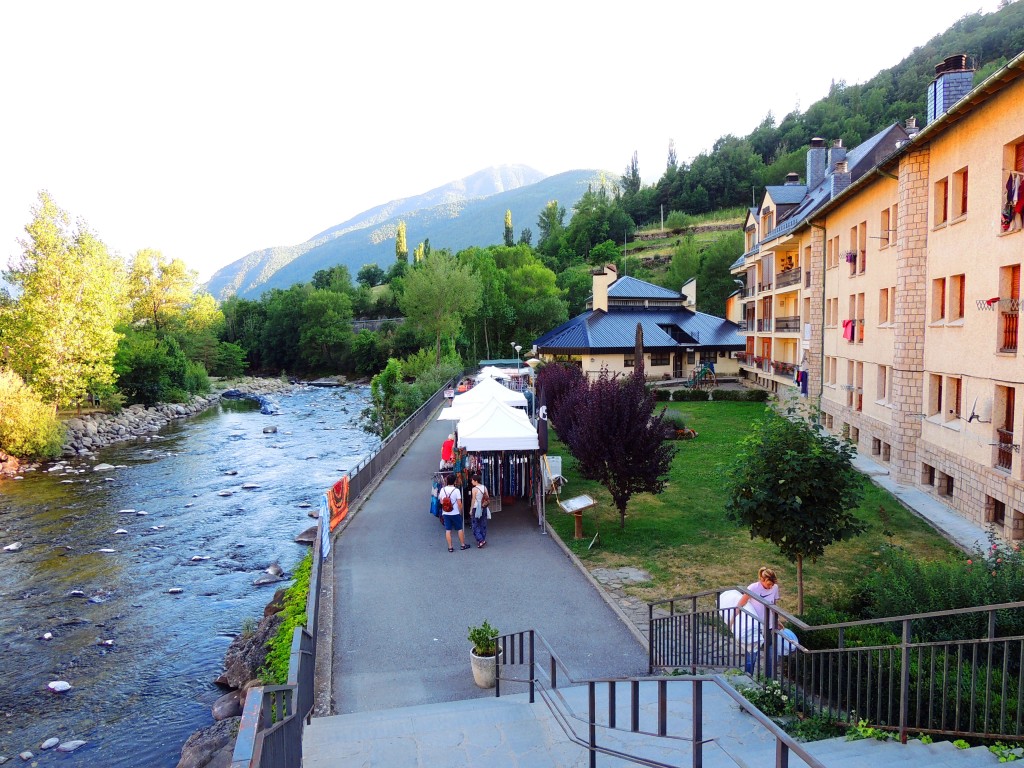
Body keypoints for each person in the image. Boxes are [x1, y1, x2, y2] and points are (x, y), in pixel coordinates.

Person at [730, 567, 780, 675]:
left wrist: (777, 620)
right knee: (752, 654)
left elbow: (774, 605)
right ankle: (748, 677)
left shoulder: (775, 588)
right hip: (755, 626)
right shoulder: (753, 588)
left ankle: (768, 682)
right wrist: (732, 620)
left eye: (772, 584)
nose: (770, 587)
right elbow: (741, 604)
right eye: (768, 584)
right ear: (762, 580)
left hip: (769, 625)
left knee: (770, 655)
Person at [438, 473, 469, 552]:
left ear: (447, 481)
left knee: (448, 530)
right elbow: (459, 503)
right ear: (454, 481)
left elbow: (441, 501)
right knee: (459, 529)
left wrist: (446, 504)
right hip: (455, 512)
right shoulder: (456, 490)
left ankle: (450, 547)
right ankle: (462, 545)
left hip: (445, 513)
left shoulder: (443, 489)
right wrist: (461, 511)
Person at [469, 473, 488, 548]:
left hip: (476, 507)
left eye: (472, 480)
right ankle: (483, 538)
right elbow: (487, 497)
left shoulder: (474, 489)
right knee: (483, 523)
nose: (471, 482)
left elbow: (473, 500)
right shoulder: (484, 487)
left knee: (475, 524)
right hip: (483, 506)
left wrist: (471, 509)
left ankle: (480, 540)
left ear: (476, 481)